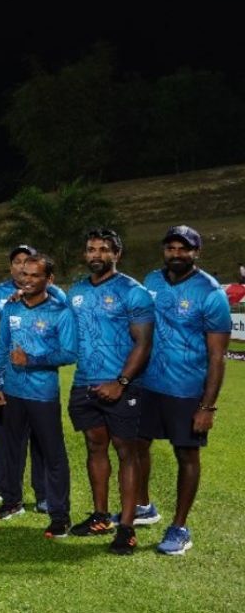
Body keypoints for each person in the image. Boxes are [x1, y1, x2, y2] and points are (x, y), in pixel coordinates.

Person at [136, 226, 231, 556]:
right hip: (148, 383)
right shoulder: (151, 281)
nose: (176, 254)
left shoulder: (210, 292)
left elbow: (218, 355)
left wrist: (207, 406)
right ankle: (143, 507)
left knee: (186, 455)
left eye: (184, 249)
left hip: (186, 388)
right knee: (136, 445)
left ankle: (179, 527)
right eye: (170, 248)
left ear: (196, 252)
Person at [64, 229, 155, 554]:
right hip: (84, 383)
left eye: (104, 249)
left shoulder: (133, 291)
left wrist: (121, 382)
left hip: (122, 385)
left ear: (117, 254)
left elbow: (144, 343)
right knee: (94, 446)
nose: (96, 255)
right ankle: (101, 516)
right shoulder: (75, 291)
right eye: (91, 249)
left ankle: (127, 528)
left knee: (126, 451)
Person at [0, 254, 77, 538]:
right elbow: (2, 348)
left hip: (42, 394)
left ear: (49, 280)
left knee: (53, 456)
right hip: (12, 392)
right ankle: (12, 502)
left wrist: (33, 359)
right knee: (11, 451)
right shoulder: (11, 309)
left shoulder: (60, 312)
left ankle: (60, 516)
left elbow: (69, 353)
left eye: (34, 275)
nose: (26, 280)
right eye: (23, 274)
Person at [0, 245, 57, 513]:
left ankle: (43, 494)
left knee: (41, 442)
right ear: (11, 266)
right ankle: (6, 491)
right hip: (10, 381)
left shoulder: (55, 298)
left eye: (27, 263)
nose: (21, 268)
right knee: (8, 440)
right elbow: (0, 341)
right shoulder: (1, 296)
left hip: (41, 386)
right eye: (17, 262)